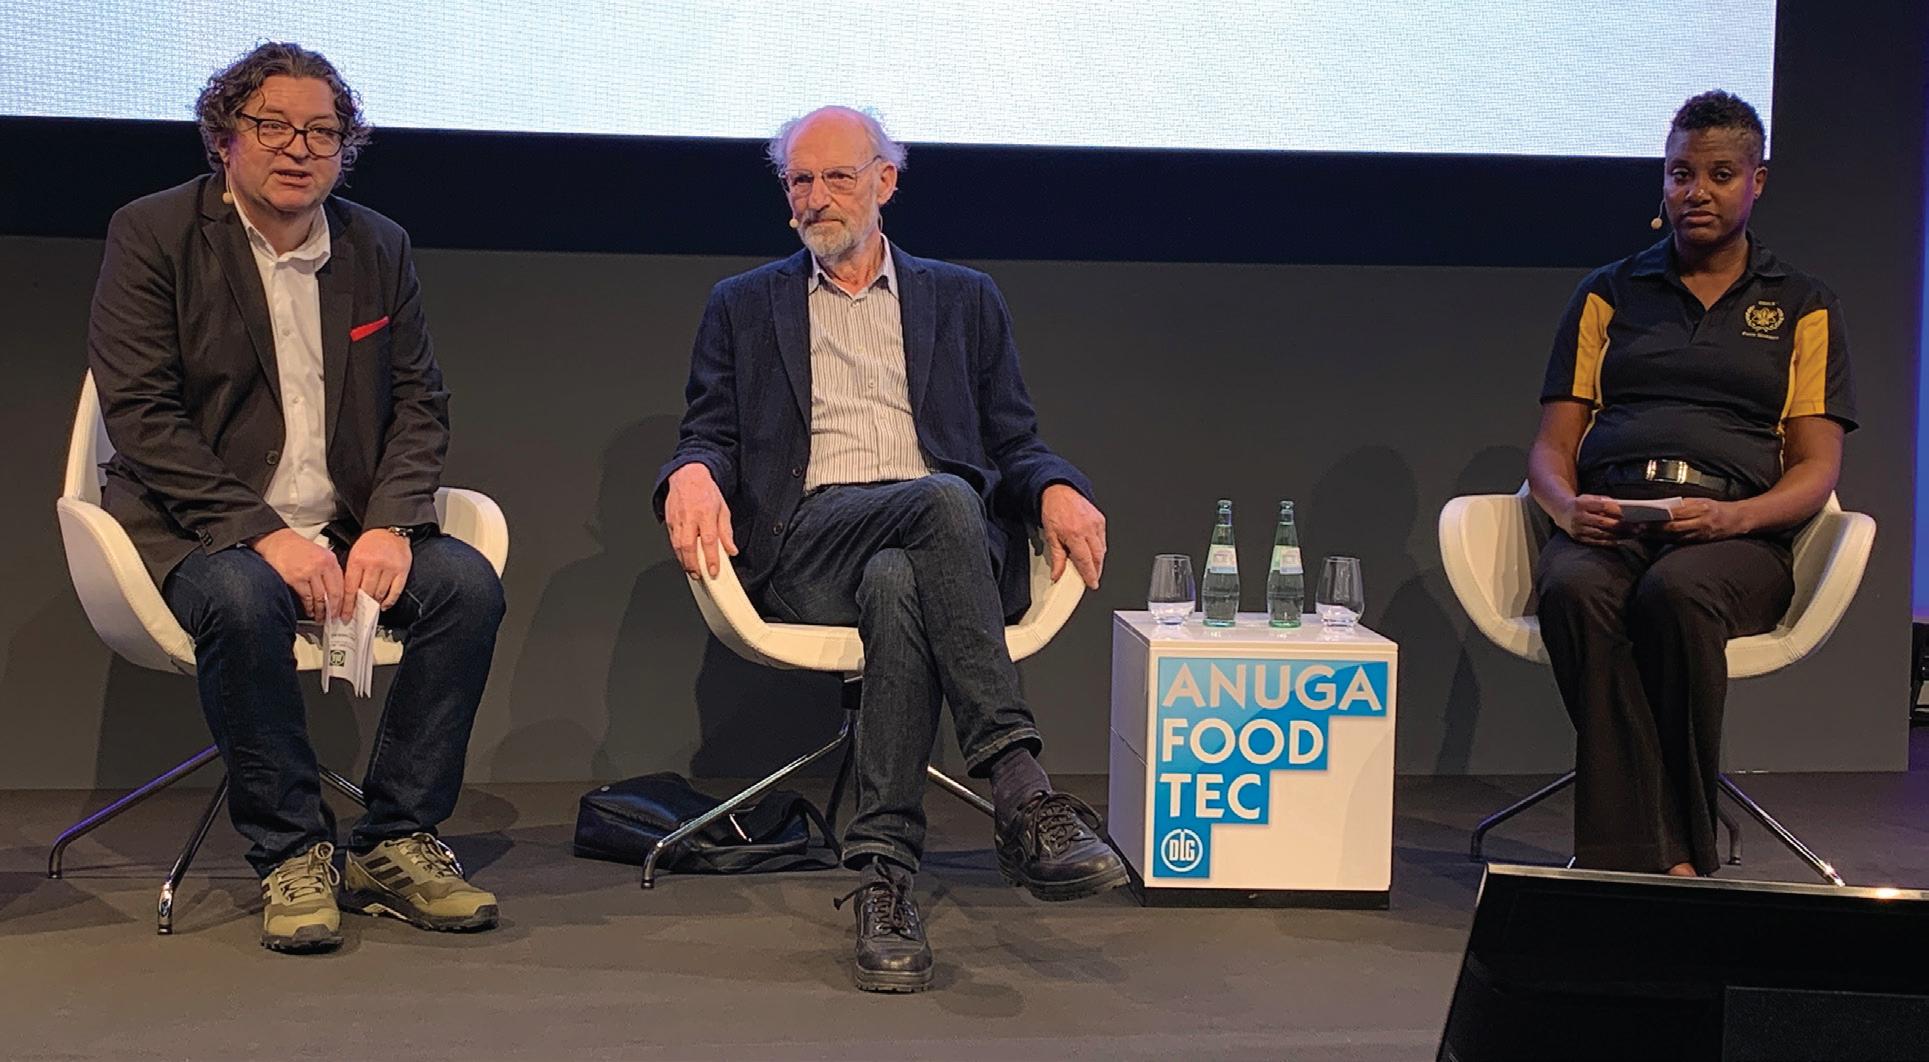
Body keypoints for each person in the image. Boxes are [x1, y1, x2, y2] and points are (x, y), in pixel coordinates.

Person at [657, 105, 1128, 992]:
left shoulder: (963, 297)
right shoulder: (743, 304)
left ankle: (883, 880)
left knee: (898, 577)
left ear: (885, 181)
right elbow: (708, 433)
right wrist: (687, 472)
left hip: (932, 552)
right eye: (799, 179)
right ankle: (1019, 782)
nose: (816, 196)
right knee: (942, 501)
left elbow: (1014, 441)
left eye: (837, 177)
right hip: (809, 543)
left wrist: (1057, 485)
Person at [87, 42, 506, 953]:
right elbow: (142, 414)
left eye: (322, 131)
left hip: (347, 520)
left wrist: (392, 522)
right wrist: (261, 533)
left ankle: (394, 840)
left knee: (466, 587)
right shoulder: (154, 232)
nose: (299, 148)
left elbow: (420, 401)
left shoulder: (377, 244)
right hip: (199, 526)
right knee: (244, 599)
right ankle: (289, 851)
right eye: (272, 126)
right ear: (224, 138)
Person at [1528, 90, 1856, 877]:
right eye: (1679, 174)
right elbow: (1549, 448)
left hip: (1735, 535)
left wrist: (1733, 519)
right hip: (1613, 516)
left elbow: (1816, 468)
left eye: (1717, 174)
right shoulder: (1608, 292)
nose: (1694, 191)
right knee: (1575, 590)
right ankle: (1661, 857)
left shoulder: (1801, 303)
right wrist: (1568, 511)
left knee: (1675, 594)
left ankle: (1653, 853)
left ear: (1755, 182)